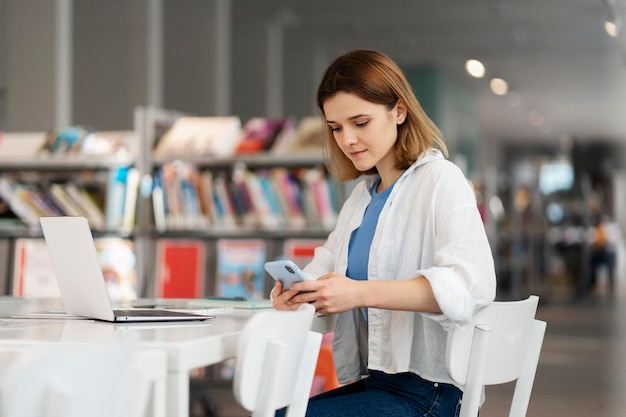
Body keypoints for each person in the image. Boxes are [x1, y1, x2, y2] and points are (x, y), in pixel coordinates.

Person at [270, 49, 497, 417]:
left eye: (360, 122)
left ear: (399, 111)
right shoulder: (361, 199)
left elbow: (470, 285)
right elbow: (323, 266)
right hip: (378, 382)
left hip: (431, 393)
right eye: (336, 128)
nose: (347, 140)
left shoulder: (442, 180)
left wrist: (357, 293)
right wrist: (299, 291)